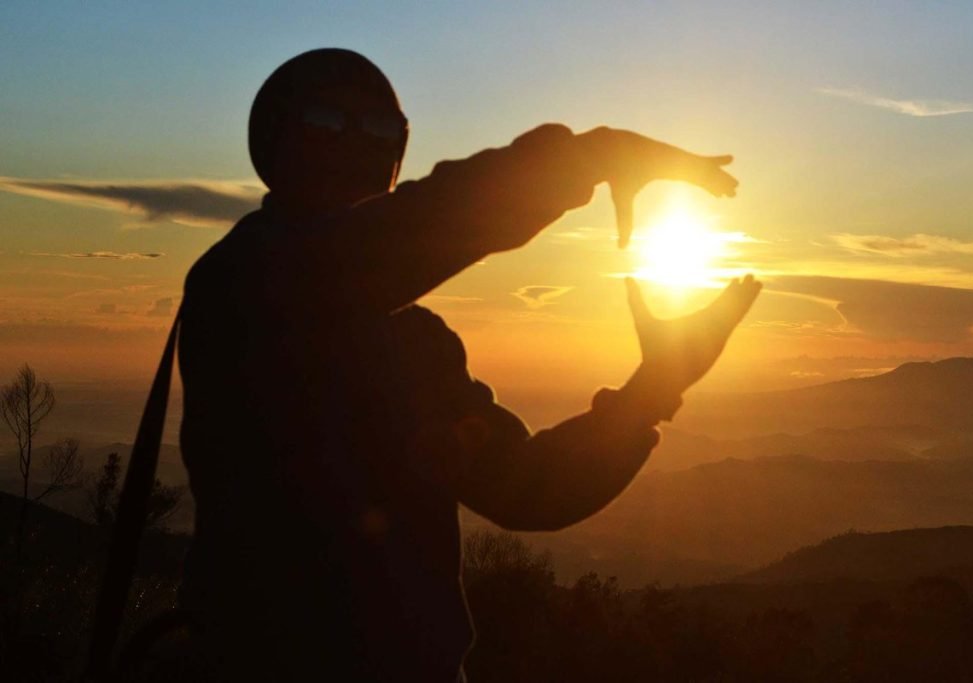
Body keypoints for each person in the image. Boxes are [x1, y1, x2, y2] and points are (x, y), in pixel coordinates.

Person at [176, 48, 761, 681]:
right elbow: (384, 245)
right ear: (275, 139)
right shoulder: (239, 282)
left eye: (379, 129)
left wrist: (655, 386)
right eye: (324, 120)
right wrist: (585, 158)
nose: (354, 144)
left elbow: (528, 490)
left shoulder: (416, 343)